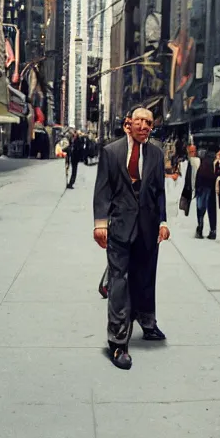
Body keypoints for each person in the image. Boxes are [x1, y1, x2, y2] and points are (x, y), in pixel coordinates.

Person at [93, 107, 170, 370]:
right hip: (119, 227)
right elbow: (102, 189)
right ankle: (118, 343)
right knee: (119, 282)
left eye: (149, 122)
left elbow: (159, 191)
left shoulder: (157, 153)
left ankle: (147, 323)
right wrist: (100, 224)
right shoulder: (111, 152)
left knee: (146, 277)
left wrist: (163, 221)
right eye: (140, 121)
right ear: (129, 124)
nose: (145, 126)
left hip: (148, 227)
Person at [194, 148, 218, 239]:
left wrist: (197, 188)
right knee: (211, 210)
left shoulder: (203, 163)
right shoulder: (214, 163)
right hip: (211, 188)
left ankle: (200, 229)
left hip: (202, 188)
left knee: (200, 209)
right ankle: (213, 231)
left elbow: (199, 176)